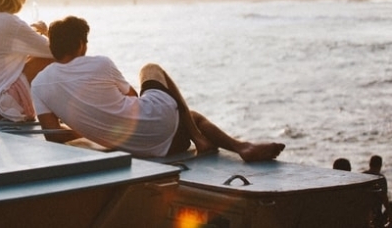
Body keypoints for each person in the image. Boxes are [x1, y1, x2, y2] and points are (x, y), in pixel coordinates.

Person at [31, 15, 285, 162]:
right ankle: (230, 145)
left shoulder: (39, 85)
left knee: (190, 116)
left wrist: (88, 126)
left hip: (139, 149)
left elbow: (52, 134)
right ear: (79, 44)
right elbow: (131, 96)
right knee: (151, 69)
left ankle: (234, 145)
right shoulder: (100, 64)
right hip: (164, 134)